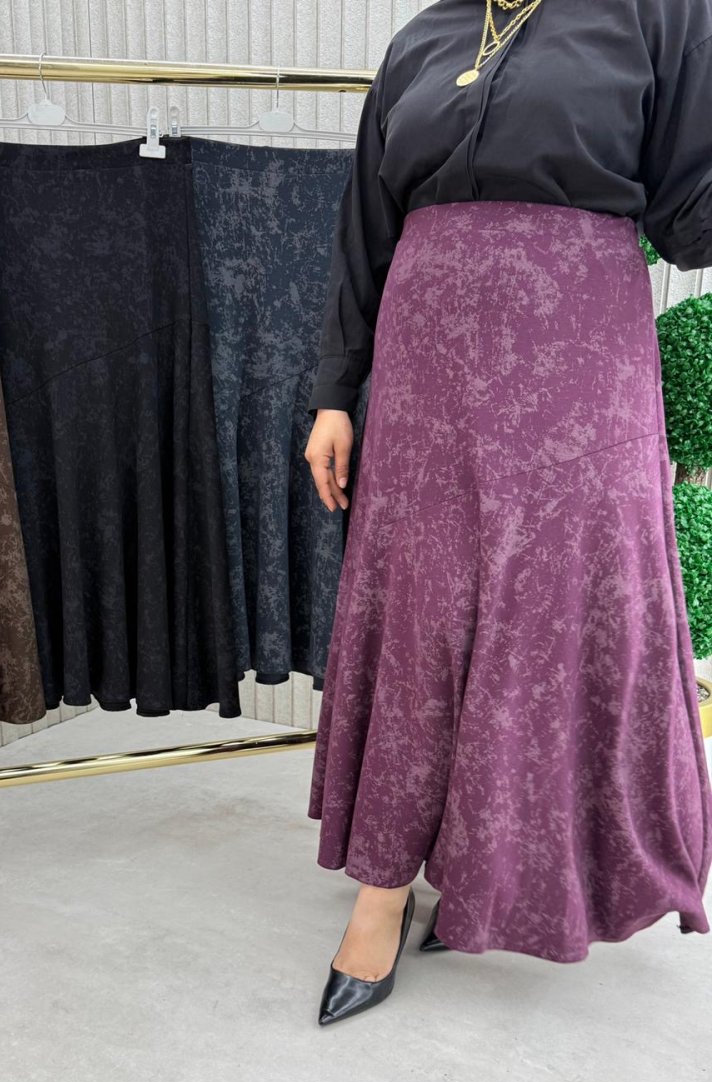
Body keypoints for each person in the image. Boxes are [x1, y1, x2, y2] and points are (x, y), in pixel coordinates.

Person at [303, 0, 712, 1026]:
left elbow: (690, 215)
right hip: (423, 371)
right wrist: (333, 392)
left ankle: (494, 872)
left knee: (547, 620)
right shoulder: (422, 39)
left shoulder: (658, 16)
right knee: (422, 615)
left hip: (580, 368)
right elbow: (365, 228)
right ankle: (384, 889)